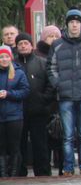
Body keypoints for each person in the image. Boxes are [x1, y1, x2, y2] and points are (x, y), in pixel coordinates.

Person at [48, 9, 81, 176]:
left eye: (77, 22)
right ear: (67, 24)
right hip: (65, 95)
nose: (74, 25)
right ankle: (68, 167)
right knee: (68, 135)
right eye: (71, 22)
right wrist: (58, 84)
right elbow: (51, 68)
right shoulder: (57, 45)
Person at [15, 33, 53, 176]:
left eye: (26, 43)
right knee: (19, 144)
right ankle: (19, 172)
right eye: (20, 44)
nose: (23, 46)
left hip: (39, 111)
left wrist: (44, 99)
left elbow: (51, 84)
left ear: (32, 45)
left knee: (40, 144)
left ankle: (43, 172)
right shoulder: (12, 64)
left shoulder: (42, 62)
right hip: (18, 112)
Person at [0, 45, 29, 177]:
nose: (4, 59)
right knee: (1, 147)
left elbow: (25, 91)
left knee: (14, 146)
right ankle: (3, 174)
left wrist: (9, 94)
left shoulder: (18, 73)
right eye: (1, 57)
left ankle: (14, 174)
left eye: (6, 56)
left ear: (10, 58)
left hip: (14, 116)